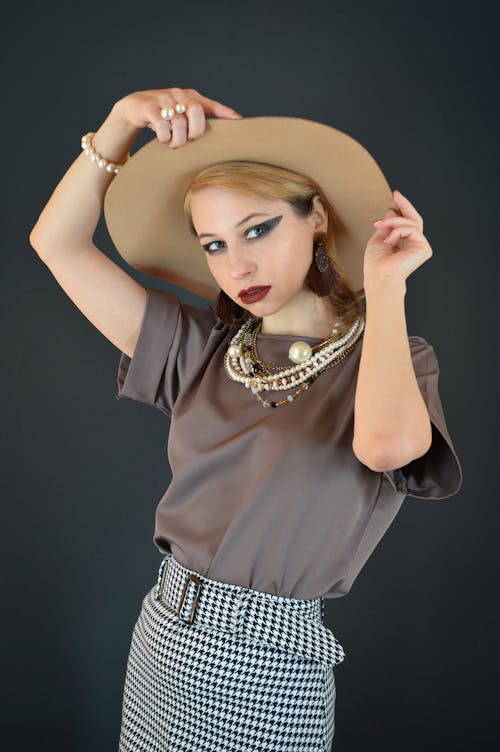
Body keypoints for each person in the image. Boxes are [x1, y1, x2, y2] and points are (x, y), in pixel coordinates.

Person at [29, 86, 463, 752]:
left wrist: (386, 287)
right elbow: (55, 243)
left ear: (315, 216)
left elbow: (385, 449)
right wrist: (119, 124)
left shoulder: (394, 357)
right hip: (162, 633)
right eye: (214, 245)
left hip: (268, 656)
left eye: (258, 229)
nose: (239, 266)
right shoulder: (200, 348)